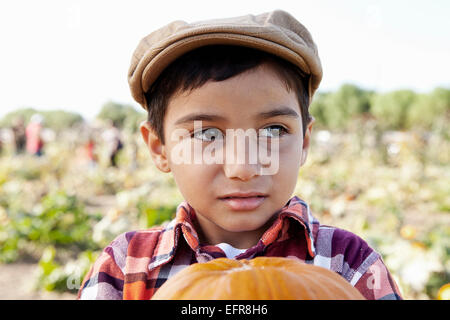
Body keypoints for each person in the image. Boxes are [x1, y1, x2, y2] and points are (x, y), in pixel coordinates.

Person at [78, 10, 402, 300]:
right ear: (159, 148)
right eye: (207, 134)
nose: (243, 167)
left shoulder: (348, 265)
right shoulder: (124, 270)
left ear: (304, 142)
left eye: (273, 131)